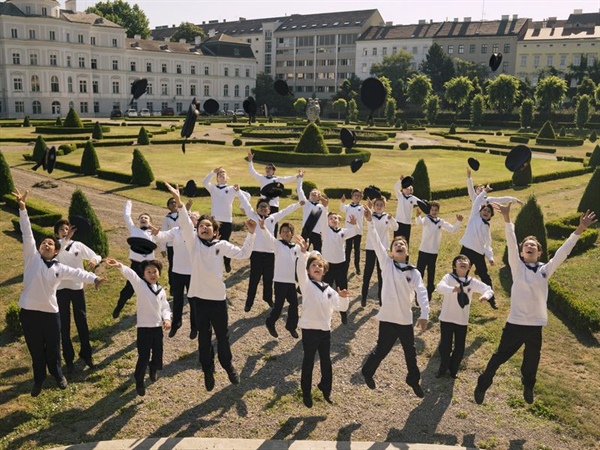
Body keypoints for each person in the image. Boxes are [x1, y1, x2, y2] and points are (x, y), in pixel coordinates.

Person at [474, 205, 597, 405]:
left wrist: (580, 229)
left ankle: (528, 386)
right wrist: (506, 218)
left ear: (539, 253)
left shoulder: (545, 270)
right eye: (526, 246)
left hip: (535, 326)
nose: (529, 247)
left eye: (533, 246)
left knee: (531, 362)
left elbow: (562, 253)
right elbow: (511, 243)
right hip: (515, 324)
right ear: (522, 253)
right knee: (498, 358)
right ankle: (483, 384)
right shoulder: (517, 267)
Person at [165, 182, 258, 391]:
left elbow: (244, 254)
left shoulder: (221, 245)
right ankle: (208, 369)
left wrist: (251, 234)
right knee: (204, 338)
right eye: (201, 226)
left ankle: (227, 365)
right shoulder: (193, 243)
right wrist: (179, 202)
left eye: (208, 226)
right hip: (198, 298)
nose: (204, 227)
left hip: (217, 299)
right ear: (197, 231)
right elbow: (186, 226)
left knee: (223, 336)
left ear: (216, 232)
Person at [14, 189, 104, 397]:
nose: (47, 244)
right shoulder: (32, 259)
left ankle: (58, 374)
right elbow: (27, 233)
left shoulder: (58, 267)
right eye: (44, 242)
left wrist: (95, 278)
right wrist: (22, 208)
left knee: (54, 348)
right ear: (39, 248)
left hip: (50, 314)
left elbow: (77, 272)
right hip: (28, 313)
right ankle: (38, 380)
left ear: (56, 251)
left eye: (51, 244)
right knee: (36, 349)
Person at [360, 206, 429, 398]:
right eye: (395, 245)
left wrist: (424, 314)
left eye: (403, 245)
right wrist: (369, 221)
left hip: (405, 319)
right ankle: (367, 371)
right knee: (382, 349)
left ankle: (413, 379)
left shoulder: (413, 272)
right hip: (388, 317)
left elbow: (421, 292)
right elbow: (375, 240)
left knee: (410, 352)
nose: (399, 246)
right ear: (391, 252)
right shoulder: (387, 264)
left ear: (407, 252)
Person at [295, 235, 350, 408]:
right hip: (309, 330)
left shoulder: (329, 289)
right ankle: (306, 392)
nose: (317, 267)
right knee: (308, 362)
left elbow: (341, 307)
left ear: (324, 270)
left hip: (325, 331)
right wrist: (304, 254)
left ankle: (325, 389)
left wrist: (344, 298)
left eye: (320, 265)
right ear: (309, 270)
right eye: (313, 265)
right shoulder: (306, 285)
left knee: (326, 362)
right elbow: (300, 273)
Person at [105, 258, 172, 397]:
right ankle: (139, 380)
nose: (152, 274)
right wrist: (119, 265)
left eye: (155, 271)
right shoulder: (141, 285)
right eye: (149, 272)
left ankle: (153, 369)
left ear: (159, 273)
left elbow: (165, 307)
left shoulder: (161, 291)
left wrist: (166, 319)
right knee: (144, 356)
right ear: (143, 275)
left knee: (158, 353)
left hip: (157, 328)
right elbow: (131, 274)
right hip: (144, 328)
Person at [237, 190, 301, 312]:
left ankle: (267, 298)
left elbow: (286, 210)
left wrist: (299, 204)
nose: (263, 209)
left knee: (268, 279)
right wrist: (238, 191)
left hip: (270, 254)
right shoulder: (253, 216)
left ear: (269, 210)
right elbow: (245, 203)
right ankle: (249, 302)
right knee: (254, 280)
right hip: (256, 254)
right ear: (257, 209)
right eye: (261, 207)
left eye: (266, 207)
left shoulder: (273, 218)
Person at [459, 186, 521, 309]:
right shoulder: (474, 217)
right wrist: (484, 191)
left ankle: (492, 300)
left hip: (478, 253)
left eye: (488, 212)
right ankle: (460, 298)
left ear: (490, 216)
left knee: (485, 276)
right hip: (466, 250)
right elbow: (477, 201)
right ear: (479, 211)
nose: (486, 212)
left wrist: (490, 257)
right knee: (461, 273)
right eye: (484, 210)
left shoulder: (487, 228)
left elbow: (487, 244)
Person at [54, 219, 102, 372]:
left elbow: (96, 255)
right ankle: (68, 360)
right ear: (57, 233)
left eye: (67, 228)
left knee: (82, 322)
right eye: (62, 229)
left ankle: (86, 354)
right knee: (65, 325)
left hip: (77, 288)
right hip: (61, 289)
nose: (65, 231)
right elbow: (55, 254)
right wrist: (65, 239)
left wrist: (94, 260)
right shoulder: (55, 246)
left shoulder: (78, 245)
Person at [435, 255, 494, 378]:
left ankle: (453, 370)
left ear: (470, 267)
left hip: (462, 321)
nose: (463, 262)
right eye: (459, 261)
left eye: (466, 261)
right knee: (445, 347)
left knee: (460, 349)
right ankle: (443, 368)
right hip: (446, 318)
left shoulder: (472, 282)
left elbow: (488, 289)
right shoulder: (449, 278)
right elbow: (439, 287)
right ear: (454, 266)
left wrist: (486, 296)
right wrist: (452, 289)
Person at [153, 205, 197, 339]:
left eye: (192, 218)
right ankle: (176, 323)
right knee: (177, 299)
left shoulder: (198, 233)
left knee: (193, 301)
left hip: (192, 273)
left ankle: (195, 327)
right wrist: (156, 233)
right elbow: (162, 236)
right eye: (187, 217)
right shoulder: (176, 231)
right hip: (177, 271)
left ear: (196, 221)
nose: (189, 220)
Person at [112, 200, 156, 318]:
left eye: (146, 218)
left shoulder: (155, 234)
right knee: (128, 289)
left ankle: (155, 311)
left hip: (149, 266)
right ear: (138, 221)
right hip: (135, 266)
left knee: (152, 289)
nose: (143, 219)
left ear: (150, 222)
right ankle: (119, 307)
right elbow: (126, 216)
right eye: (141, 217)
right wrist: (128, 203)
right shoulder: (134, 230)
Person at [318, 197, 358, 324]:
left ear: (339, 221)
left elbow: (356, 231)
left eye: (336, 218)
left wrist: (355, 223)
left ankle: (343, 312)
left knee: (342, 288)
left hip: (341, 264)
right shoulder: (325, 231)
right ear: (328, 221)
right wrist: (325, 207)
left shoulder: (343, 231)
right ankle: (324, 312)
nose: (334, 220)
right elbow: (322, 219)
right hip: (327, 265)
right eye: (331, 218)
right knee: (325, 288)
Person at [415, 201, 463, 300]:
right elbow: (420, 223)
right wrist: (418, 216)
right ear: (429, 210)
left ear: (438, 211)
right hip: (423, 250)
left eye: (436, 210)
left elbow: (452, 229)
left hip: (433, 252)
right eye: (432, 210)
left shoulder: (440, 221)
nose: (434, 212)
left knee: (431, 272)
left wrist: (458, 221)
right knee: (420, 272)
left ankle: (429, 292)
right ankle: (418, 293)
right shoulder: (427, 219)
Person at [263, 222, 301, 339]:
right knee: (279, 305)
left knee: (294, 304)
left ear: (292, 234)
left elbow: (304, 257)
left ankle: (291, 326)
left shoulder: (296, 247)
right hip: (279, 281)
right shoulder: (277, 244)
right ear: (280, 233)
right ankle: (270, 322)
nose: (285, 233)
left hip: (290, 281)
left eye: (288, 231)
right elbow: (268, 237)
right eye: (283, 231)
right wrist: (262, 227)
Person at [247, 151, 299, 235]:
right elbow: (253, 172)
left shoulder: (277, 179)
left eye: (270, 168)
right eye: (267, 168)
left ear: (273, 171)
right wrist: (250, 161)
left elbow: (287, 179)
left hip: (274, 205)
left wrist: (297, 176)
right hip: (263, 204)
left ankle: (273, 238)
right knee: (261, 221)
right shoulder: (262, 178)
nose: (268, 170)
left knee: (274, 222)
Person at [361, 197, 398, 306]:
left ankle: (381, 298)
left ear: (384, 206)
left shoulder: (387, 216)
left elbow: (396, 227)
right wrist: (368, 210)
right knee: (368, 271)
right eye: (377, 204)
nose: (379, 206)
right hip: (371, 247)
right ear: (374, 205)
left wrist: (392, 219)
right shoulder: (370, 216)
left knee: (381, 273)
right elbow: (364, 219)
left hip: (383, 248)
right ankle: (364, 295)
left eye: (381, 205)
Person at [202, 167, 239, 273]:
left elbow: (247, 196)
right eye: (219, 175)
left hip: (227, 220)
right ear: (217, 178)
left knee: (225, 241)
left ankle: (227, 262)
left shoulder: (231, 188)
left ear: (226, 178)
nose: (222, 176)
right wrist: (213, 172)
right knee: (213, 240)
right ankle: (213, 261)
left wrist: (238, 190)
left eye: (224, 175)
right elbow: (204, 182)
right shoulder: (213, 188)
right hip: (215, 220)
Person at [297, 173, 326, 252]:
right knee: (302, 251)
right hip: (306, 231)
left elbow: (324, 221)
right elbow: (300, 191)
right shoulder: (306, 204)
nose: (313, 195)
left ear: (318, 197)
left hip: (317, 232)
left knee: (318, 252)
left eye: (315, 194)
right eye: (312, 194)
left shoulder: (322, 207)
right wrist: (300, 179)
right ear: (309, 196)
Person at [340, 188, 365, 275]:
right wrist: (342, 202)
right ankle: (345, 267)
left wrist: (370, 206)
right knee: (348, 249)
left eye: (359, 196)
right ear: (352, 197)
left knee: (357, 250)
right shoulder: (348, 206)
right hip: (349, 231)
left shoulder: (361, 207)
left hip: (358, 231)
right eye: (355, 195)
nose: (357, 197)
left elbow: (367, 212)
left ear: (361, 197)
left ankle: (357, 266)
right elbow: (342, 209)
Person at [159, 197, 179, 294]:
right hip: (171, 246)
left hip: (183, 245)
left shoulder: (182, 215)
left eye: (175, 202)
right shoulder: (167, 218)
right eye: (171, 203)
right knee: (172, 266)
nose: (174, 204)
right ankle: (173, 286)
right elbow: (163, 232)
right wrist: (163, 247)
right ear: (168, 206)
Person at [393, 175, 420, 244]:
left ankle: (405, 254)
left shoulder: (412, 198)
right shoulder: (400, 196)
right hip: (398, 221)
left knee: (405, 241)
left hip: (407, 223)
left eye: (409, 188)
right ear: (402, 189)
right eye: (405, 188)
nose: (407, 189)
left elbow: (420, 202)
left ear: (411, 191)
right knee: (396, 240)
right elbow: (395, 188)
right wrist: (400, 181)